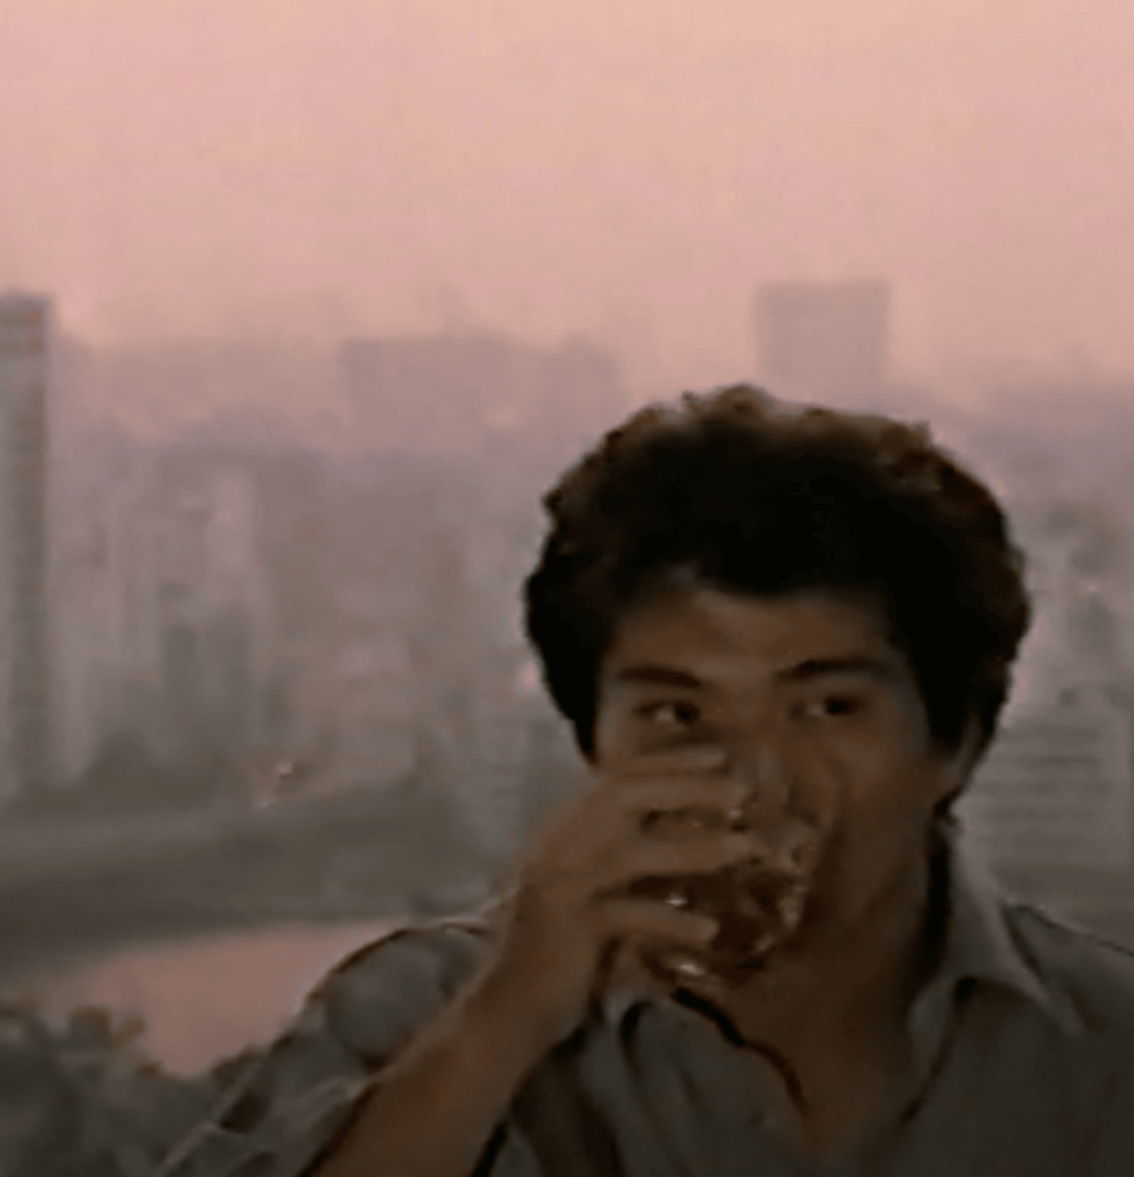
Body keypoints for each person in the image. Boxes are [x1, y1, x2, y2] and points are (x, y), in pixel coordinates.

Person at [159, 385, 1134, 1177]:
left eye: (827, 708)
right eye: (678, 716)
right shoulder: (417, 1012)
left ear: (956, 744)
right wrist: (506, 1022)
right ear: (594, 744)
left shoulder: (1106, 1044)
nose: (755, 775)